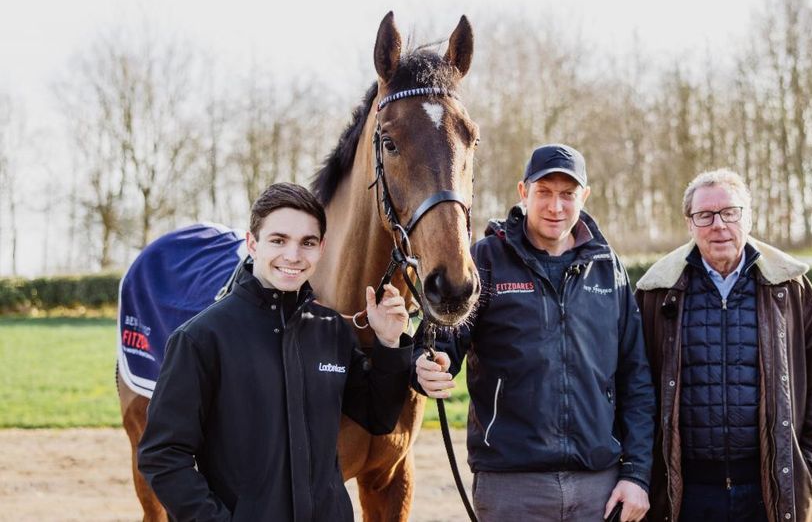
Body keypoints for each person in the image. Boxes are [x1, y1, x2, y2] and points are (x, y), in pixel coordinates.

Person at [137, 182, 413, 522]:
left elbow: (379, 416)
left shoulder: (333, 331)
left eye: (307, 243)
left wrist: (389, 343)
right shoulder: (200, 339)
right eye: (278, 240)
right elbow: (162, 454)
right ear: (253, 244)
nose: (293, 256)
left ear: (322, 248)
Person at [414, 144, 656, 522]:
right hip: (512, 486)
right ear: (523, 192)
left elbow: (636, 379)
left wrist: (637, 474)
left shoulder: (609, 270)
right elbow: (437, 343)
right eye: (544, 192)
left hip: (599, 487)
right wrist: (425, 364)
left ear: (584, 197)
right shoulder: (485, 260)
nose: (556, 207)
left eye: (567, 195)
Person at [633, 169, 812, 522]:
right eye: (704, 215)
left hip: (769, 490)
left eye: (730, 212)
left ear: (748, 218)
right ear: (690, 224)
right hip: (685, 493)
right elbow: (633, 386)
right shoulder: (656, 292)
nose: (718, 225)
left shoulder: (791, 289)